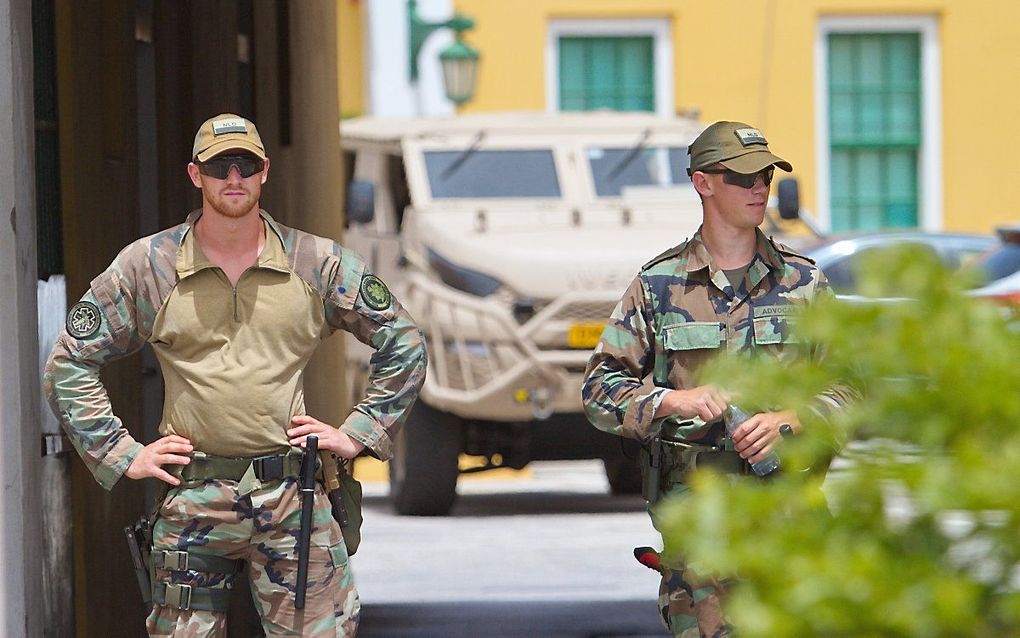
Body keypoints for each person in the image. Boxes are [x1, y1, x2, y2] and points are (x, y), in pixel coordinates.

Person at [44, 113, 427, 637]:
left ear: (264, 171)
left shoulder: (315, 263)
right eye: (219, 166)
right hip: (193, 494)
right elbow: (68, 360)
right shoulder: (150, 267)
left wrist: (359, 433)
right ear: (194, 175)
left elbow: (403, 341)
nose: (233, 177)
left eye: (244, 164)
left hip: (295, 496)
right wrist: (122, 453)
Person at [580, 120, 855, 637]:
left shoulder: (802, 282)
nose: (758, 188)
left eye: (766, 176)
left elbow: (851, 388)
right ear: (702, 182)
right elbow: (598, 391)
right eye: (742, 177)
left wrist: (794, 418)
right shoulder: (658, 286)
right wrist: (673, 401)